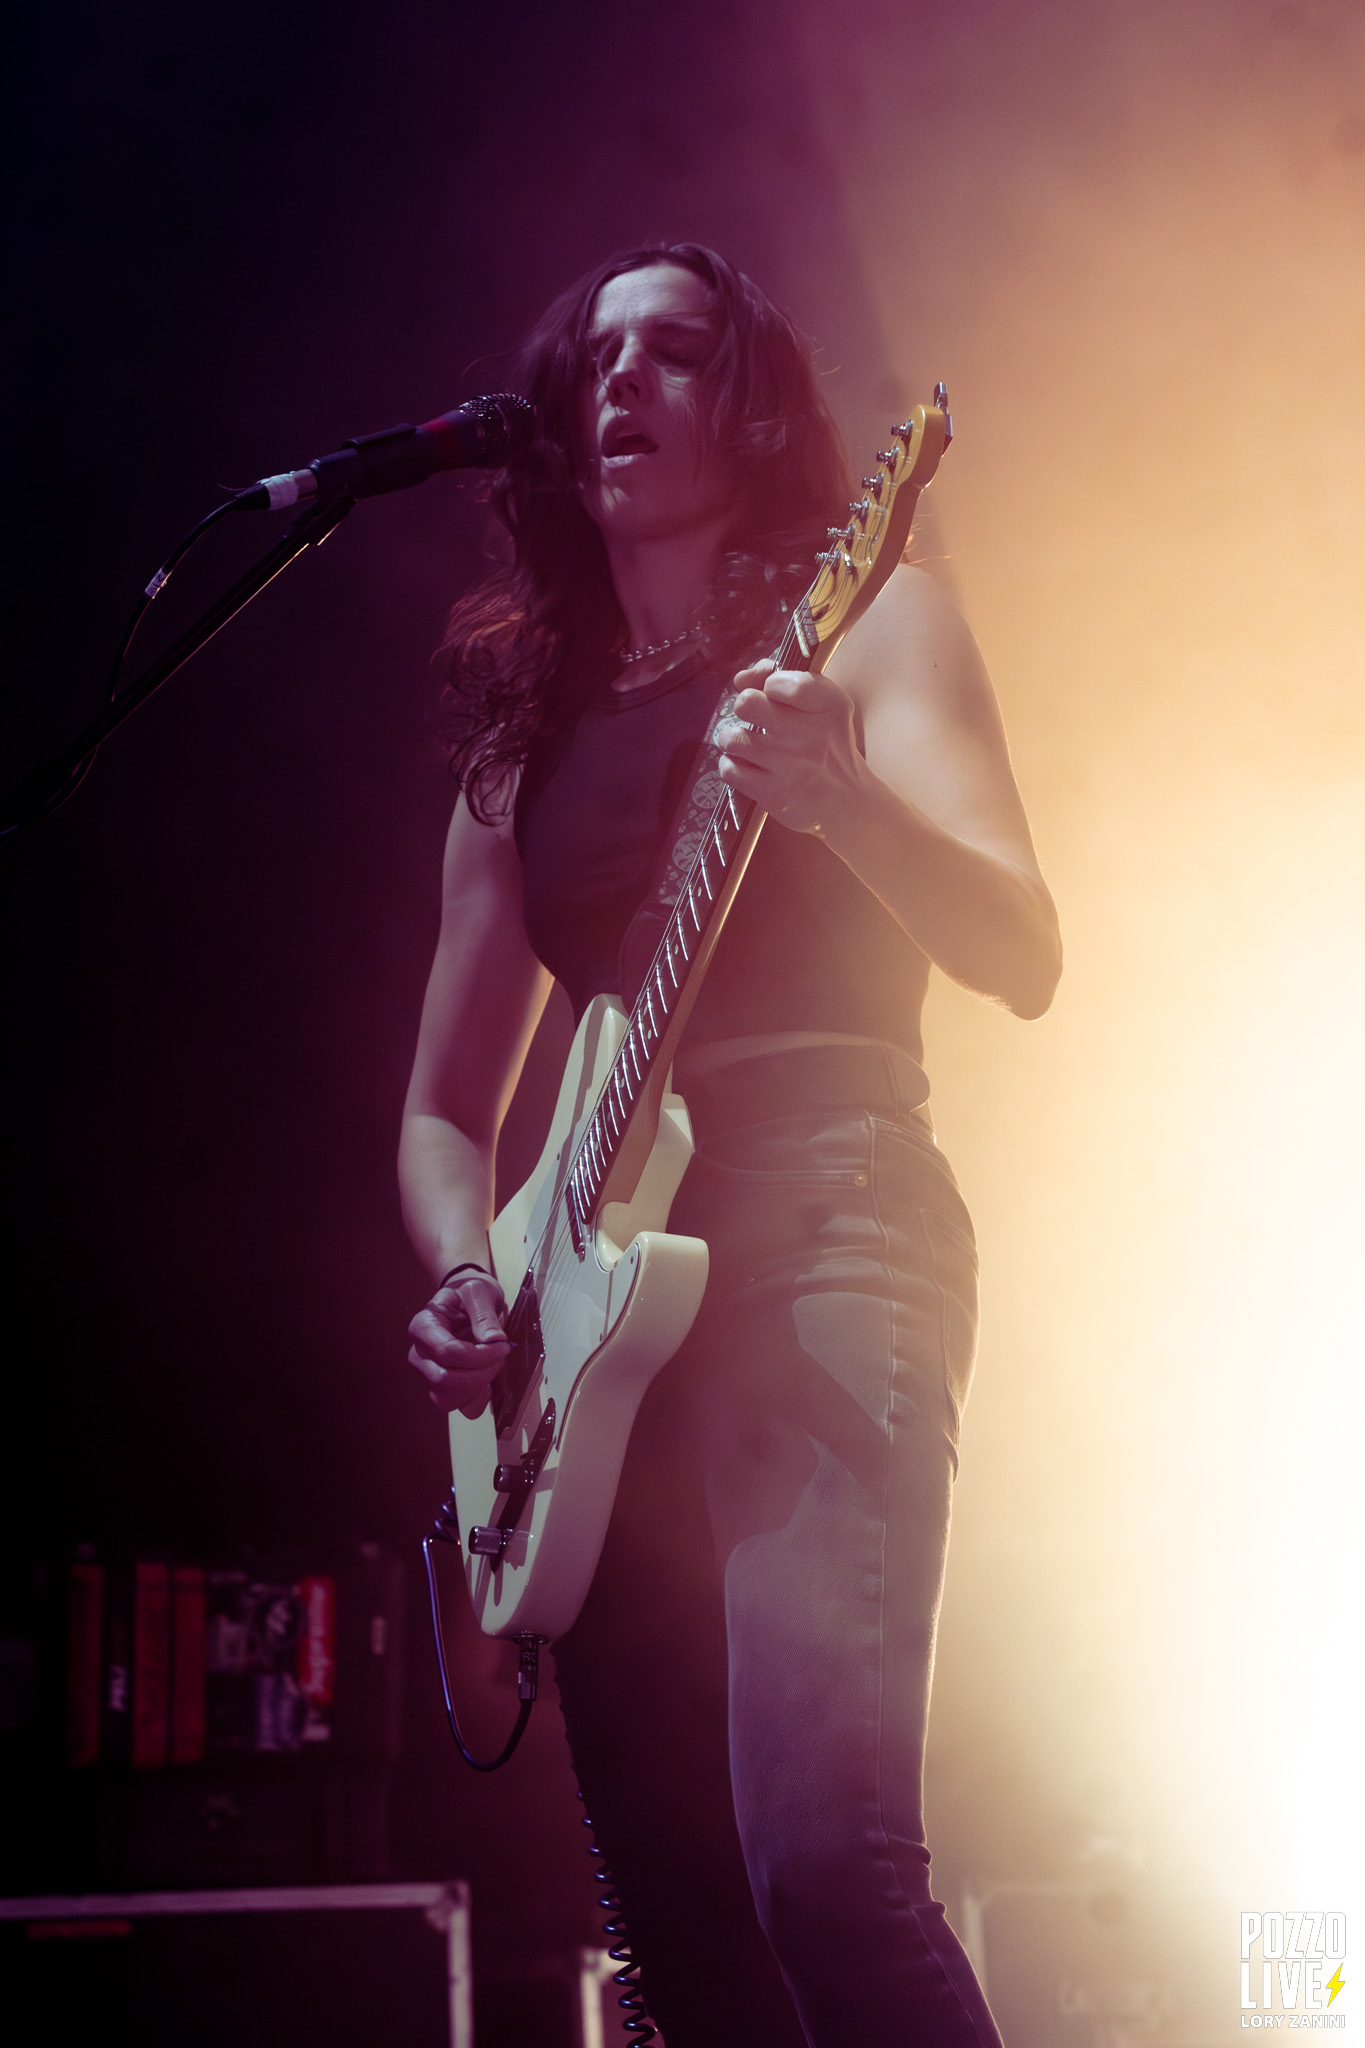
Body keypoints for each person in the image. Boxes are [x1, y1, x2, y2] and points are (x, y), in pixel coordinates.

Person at [400, 243, 1060, 2048]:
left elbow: (1019, 952)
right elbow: (445, 1112)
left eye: (675, 350)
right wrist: (468, 1278)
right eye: (595, 356)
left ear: (751, 403)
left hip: (826, 1211)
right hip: (587, 1326)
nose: (623, 378)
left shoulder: (870, 622)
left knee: (821, 1870)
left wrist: (835, 794)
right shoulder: (517, 751)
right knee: (686, 1950)